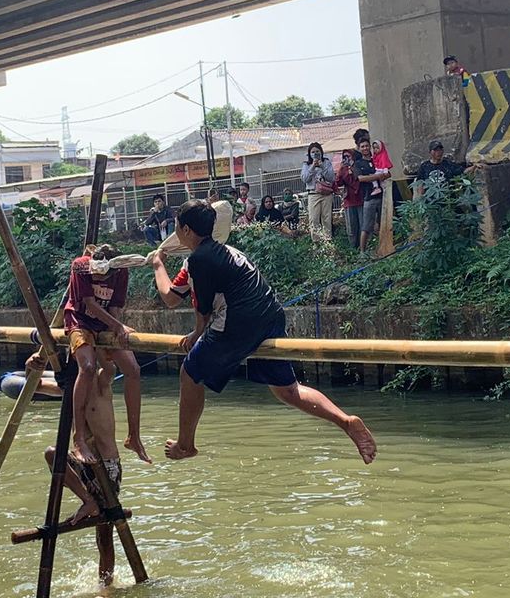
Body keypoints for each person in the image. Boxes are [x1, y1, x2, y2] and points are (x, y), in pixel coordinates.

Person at [149, 200, 377, 464]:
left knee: (189, 373)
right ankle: (345, 421)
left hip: (239, 323)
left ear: (186, 230)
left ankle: (186, 445)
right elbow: (176, 295)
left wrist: (158, 266)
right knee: (287, 390)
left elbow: (191, 307)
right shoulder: (226, 252)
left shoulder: (200, 259)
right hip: (270, 315)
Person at [26, 351, 123, 586]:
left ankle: (105, 587)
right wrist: (31, 365)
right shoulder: (68, 390)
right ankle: (87, 499)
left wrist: (92, 347)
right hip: (83, 460)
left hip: (107, 465)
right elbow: (34, 386)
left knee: (104, 534)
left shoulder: (99, 383)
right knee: (52, 454)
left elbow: (110, 369)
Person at [62, 244, 150, 464]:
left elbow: (114, 307)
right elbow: (89, 304)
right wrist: (118, 326)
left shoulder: (120, 271)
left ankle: (134, 436)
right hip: (79, 320)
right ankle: (79, 438)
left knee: (133, 370)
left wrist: (117, 327)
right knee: (88, 368)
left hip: (105, 322)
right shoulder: (80, 267)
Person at [352, 137, 390, 251]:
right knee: (366, 227)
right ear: (359, 148)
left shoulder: (376, 159)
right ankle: (363, 252)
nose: (365, 148)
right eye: (362, 146)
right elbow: (360, 178)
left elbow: (388, 173)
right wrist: (377, 176)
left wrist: (382, 175)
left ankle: (383, 248)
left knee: (384, 223)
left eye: (367, 146)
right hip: (369, 198)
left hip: (383, 196)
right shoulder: (358, 164)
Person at [300, 142, 336, 239]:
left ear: (321, 152)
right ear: (309, 153)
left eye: (317, 151)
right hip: (313, 193)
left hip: (326, 193)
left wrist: (322, 167)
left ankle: (328, 240)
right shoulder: (306, 164)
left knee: (327, 218)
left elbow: (332, 178)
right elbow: (304, 179)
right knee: (314, 218)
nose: (315, 153)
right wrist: (312, 166)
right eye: (313, 152)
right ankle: (316, 241)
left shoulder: (326, 162)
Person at [334, 149, 363, 248]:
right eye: (344, 156)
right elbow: (338, 182)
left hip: (360, 198)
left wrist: (352, 167)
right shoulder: (343, 168)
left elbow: (359, 178)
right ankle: (353, 248)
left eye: (348, 156)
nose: (346, 158)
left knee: (362, 225)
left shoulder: (358, 165)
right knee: (351, 227)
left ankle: (363, 247)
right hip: (349, 200)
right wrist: (341, 168)